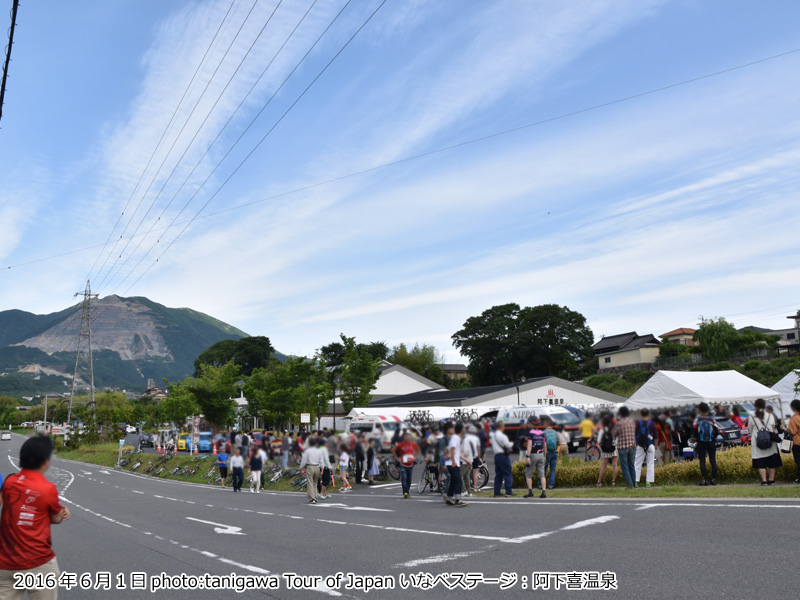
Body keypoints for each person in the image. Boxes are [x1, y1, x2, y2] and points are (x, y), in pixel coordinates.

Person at [0, 436, 70, 600]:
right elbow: (56, 518)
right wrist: (64, 510)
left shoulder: (9, 481)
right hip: (38, 563)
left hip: (5, 563)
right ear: (45, 461)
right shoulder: (47, 488)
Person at [750, 397, 782, 485]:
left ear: (756, 406)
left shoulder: (752, 416)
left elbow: (751, 429)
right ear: (764, 405)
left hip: (758, 440)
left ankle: (763, 480)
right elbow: (772, 426)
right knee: (772, 460)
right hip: (769, 440)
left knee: (761, 461)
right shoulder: (769, 415)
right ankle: (771, 480)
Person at [694, 402, 720, 486]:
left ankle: (704, 479)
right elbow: (717, 430)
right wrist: (713, 437)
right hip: (711, 442)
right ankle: (714, 479)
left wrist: (698, 438)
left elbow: (694, 431)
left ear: (700, 410)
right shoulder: (711, 419)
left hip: (701, 443)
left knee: (702, 461)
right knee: (713, 460)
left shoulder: (698, 420)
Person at [613, 406, 637, 489]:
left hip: (622, 447)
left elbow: (614, 434)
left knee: (625, 467)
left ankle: (630, 486)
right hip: (632, 446)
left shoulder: (619, 423)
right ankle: (634, 485)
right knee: (632, 466)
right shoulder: (632, 422)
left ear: (621, 414)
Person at [524, 415, 547, 499]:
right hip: (541, 455)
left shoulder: (530, 433)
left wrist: (527, 456)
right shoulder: (542, 433)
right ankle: (544, 492)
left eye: (528, 423)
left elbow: (529, 445)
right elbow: (545, 445)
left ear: (531, 423)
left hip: (533, 455)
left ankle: (530, 492)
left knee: (528, 474)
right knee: (542, 475)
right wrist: (545, 456)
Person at [445, 423, 467, 507]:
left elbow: (457, 452)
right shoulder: (456, 438)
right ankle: (458, 499)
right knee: (458, 481)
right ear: (461, 430)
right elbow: (452, 449)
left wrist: (466, 460)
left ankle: (449, 499)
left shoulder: (455, 438)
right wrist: (454, 461)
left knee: (454, 481)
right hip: (452, 463)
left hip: (453, 463)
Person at [392, 431, 420, 499]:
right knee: (404, 478)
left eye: (409, 438)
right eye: (406, 438)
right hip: (403, 464)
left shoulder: (413, 444)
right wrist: (397, 458)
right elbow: (393, 450)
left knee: (409, 479)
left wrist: (415, 456)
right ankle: (405, 492)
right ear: (404, 438)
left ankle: (407, 491)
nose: (408, 439)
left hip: (410, 464)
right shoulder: (401, 444)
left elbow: (417, 449)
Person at [634, 408, 657, 487]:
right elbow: (656, 436)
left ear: (641, 415)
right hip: (650, 445)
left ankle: (636, 481)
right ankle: (648, 482)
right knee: (650, 463)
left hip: (640, 445)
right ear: (648, 414)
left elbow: (635, 434)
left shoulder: (637, 423)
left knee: (637, 463)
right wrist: (655, 445)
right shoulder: (652, 424)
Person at [491, 422, 514, 497]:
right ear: (501, 427)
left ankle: (496, 492)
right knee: (507, 473)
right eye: (503, 426)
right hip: (503, 455)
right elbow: (507, 445)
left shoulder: (493, 435)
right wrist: (512, 444)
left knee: (498, 475)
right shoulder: (502, 436)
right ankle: (508, 491)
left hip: (496, 456)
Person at [299, 437, 323, 504]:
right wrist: (322, 469)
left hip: (310, 467)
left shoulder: (307, 451)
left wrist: (301, 468)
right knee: (315, 483)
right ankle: (315, 496)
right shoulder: (319, 451)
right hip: (317, 467)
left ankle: (312, 498)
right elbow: (321, 460)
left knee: (310, 483)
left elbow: (304, 460)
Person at [597, 414, 618, 487]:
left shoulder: (602, 430)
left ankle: (599, 482)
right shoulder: (614, 429)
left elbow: (599, 441)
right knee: (615, 465)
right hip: (614, 449)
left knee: (603, 466)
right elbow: (617, 439)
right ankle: (613, 481)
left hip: (605, 450)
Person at [461, 425, 482, 495]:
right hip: (475, 456)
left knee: (465, 473)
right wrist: (479, 457)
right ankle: (475, 487)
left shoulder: (465, 437)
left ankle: (465, 489)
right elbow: (478, 448)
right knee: (475, 471)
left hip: (467, 457)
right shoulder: (476, 438)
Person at [543, 417, 559, 490]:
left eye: (544, 423)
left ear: (547, 423)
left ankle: (541, 485)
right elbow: (558, 443)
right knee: (553, 469)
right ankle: (551, 485)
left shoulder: (544, 432)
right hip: (554, 452)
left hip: (546, 453)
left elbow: (542, 444)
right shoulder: (555, 432)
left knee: (544, 469)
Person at [788, 399, 800, 484]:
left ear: (793, 407)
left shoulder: (794, 419)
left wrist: (785, 429)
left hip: (797, 442)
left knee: (798, 461)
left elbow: (793, 432)